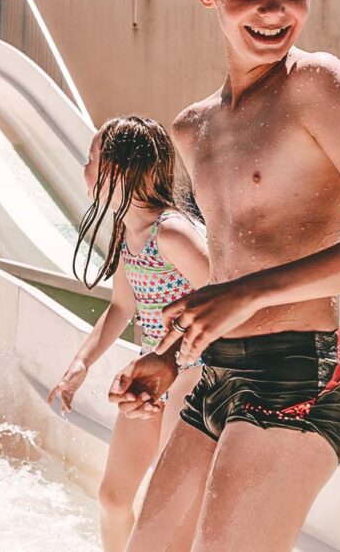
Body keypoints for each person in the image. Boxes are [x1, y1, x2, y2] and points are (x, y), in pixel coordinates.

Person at [107, 0, 340, 552]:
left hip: (299, 378)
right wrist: (169, 355)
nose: (274, 11)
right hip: (214, 375)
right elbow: (231, 269)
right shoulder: (194, 128)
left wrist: (249, 294)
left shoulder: (315, 85)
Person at [48, 116, 210, 552]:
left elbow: (219, 295)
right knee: (113, 497)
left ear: (117, 170)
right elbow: (122, 306)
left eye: (91, 159)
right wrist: (79, 365)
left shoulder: (172, 232)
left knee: (170, 504)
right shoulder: (127, 233)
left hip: (193, 372)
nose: (85, 168)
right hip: (149, 370)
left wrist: (168, 354)